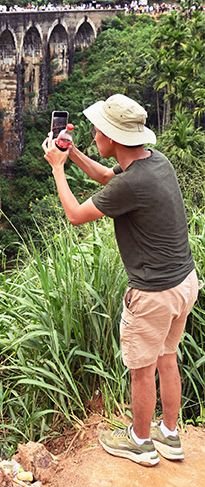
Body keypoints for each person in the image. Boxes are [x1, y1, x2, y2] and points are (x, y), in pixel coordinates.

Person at [42, 94, 197, 466]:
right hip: (184, 283)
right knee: (167, 357)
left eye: (98, 129)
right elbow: (106, 175)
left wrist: (57, 168)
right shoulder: (155, 163)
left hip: (154, 293)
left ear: (112, 138)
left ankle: (140, 442)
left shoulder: (131, 185)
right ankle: (170, 435)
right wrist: (73, 152)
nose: (94, 132)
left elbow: (76, 215)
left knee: (141, 372)